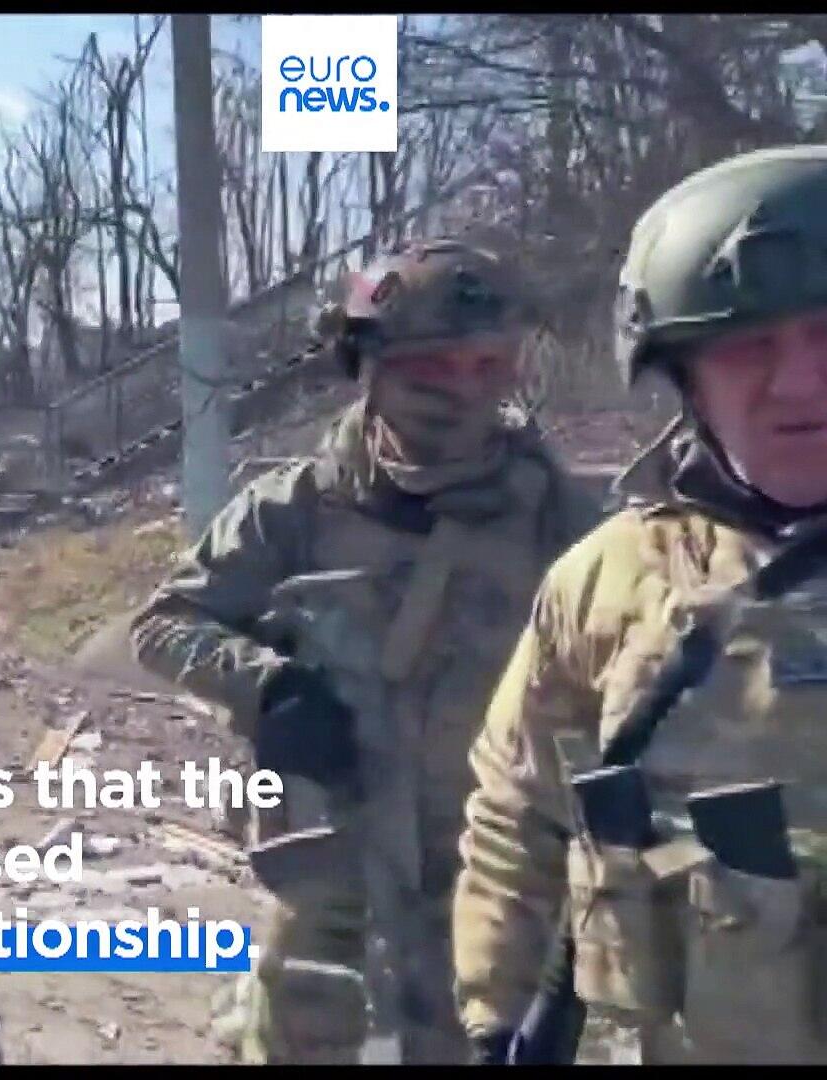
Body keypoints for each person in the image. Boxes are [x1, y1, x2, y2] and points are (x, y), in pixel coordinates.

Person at [127, 238, 606, 1064]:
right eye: (433, 368)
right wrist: (270, 687)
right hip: (334, 887)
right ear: (371, 368)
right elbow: (166, 624)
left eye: (487, 366)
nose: (463, 390)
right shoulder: (293, 509)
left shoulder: (560, 521)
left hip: (497, 893)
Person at [454, 144, 827, 1064]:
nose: (799, 382)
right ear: (684, 376)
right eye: (748, 346)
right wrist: (495, 1024)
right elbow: (517, 822)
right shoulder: (608, 583)